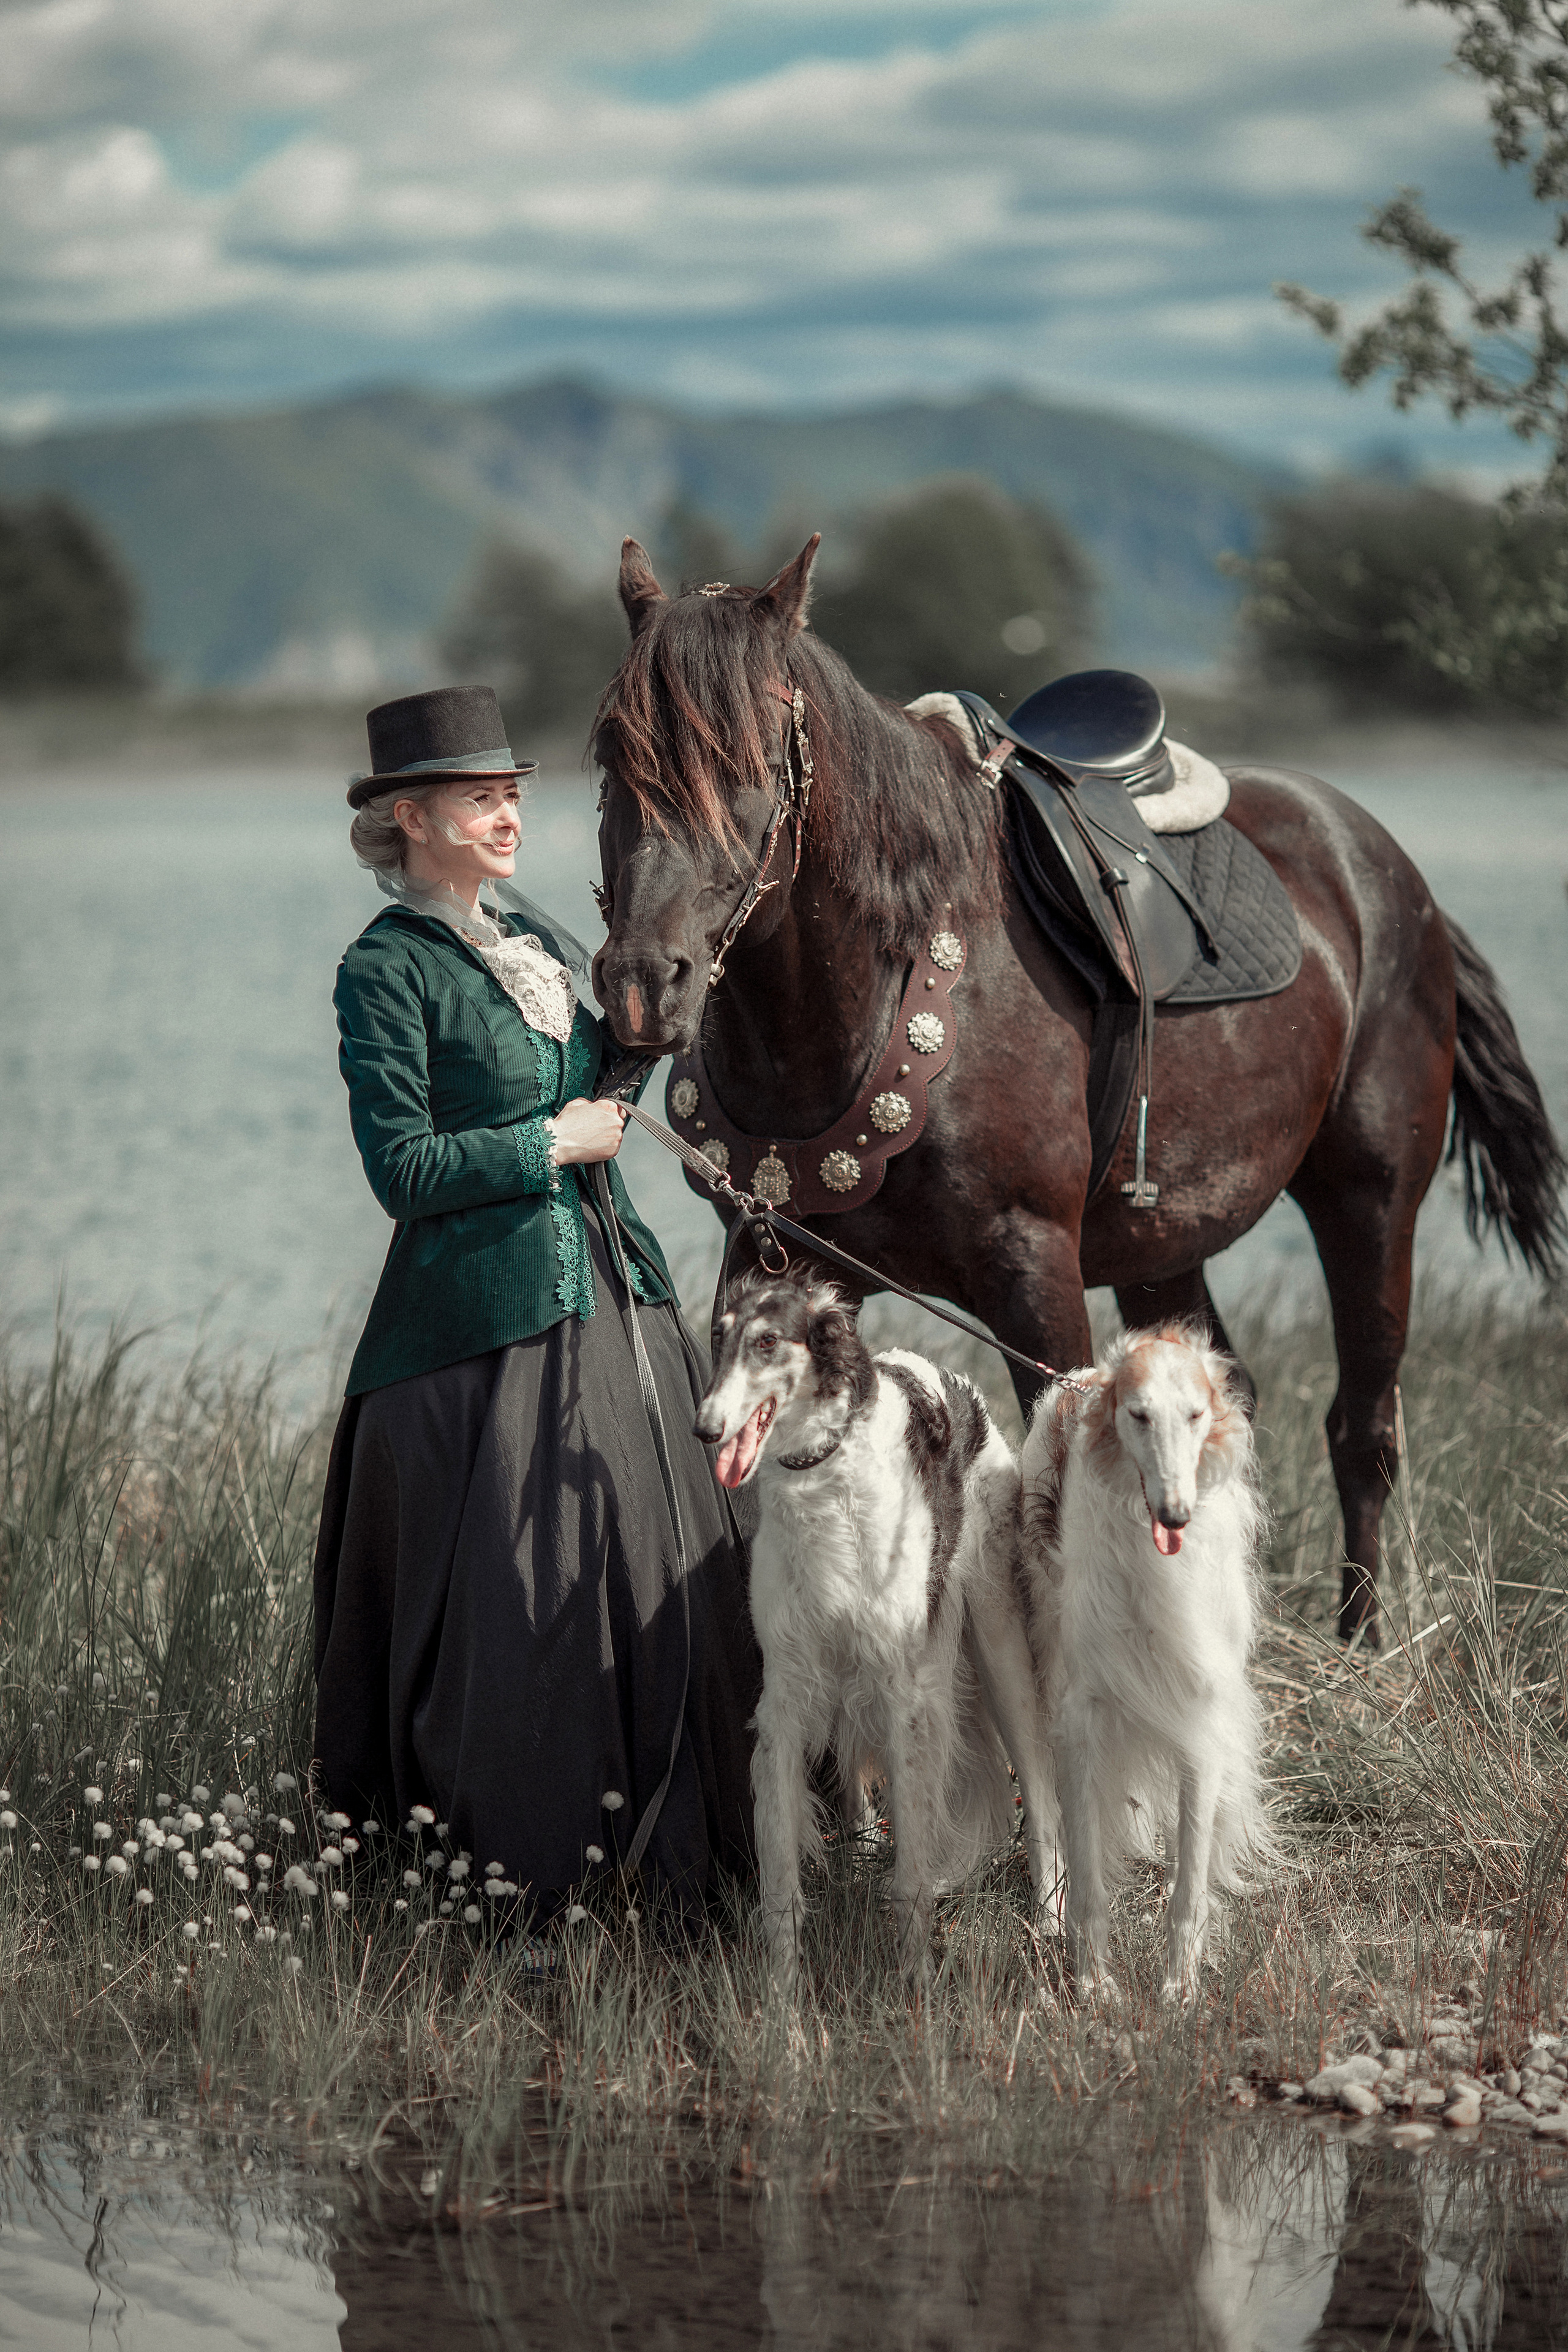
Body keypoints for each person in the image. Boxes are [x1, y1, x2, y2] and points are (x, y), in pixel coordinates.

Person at [312, 685, 759, 1931]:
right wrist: (546, 1141)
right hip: (471, 1335)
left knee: (664, 1570)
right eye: (478, 799)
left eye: (513, 795)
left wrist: (640, 1047)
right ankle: (526, 1886)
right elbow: (400, 1169)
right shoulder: (384, 971)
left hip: (616, 1299)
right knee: (518, 1617)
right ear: (411, 817)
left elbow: (602, 1078)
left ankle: (678, 1875)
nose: (508, 816)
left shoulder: (545, 937)